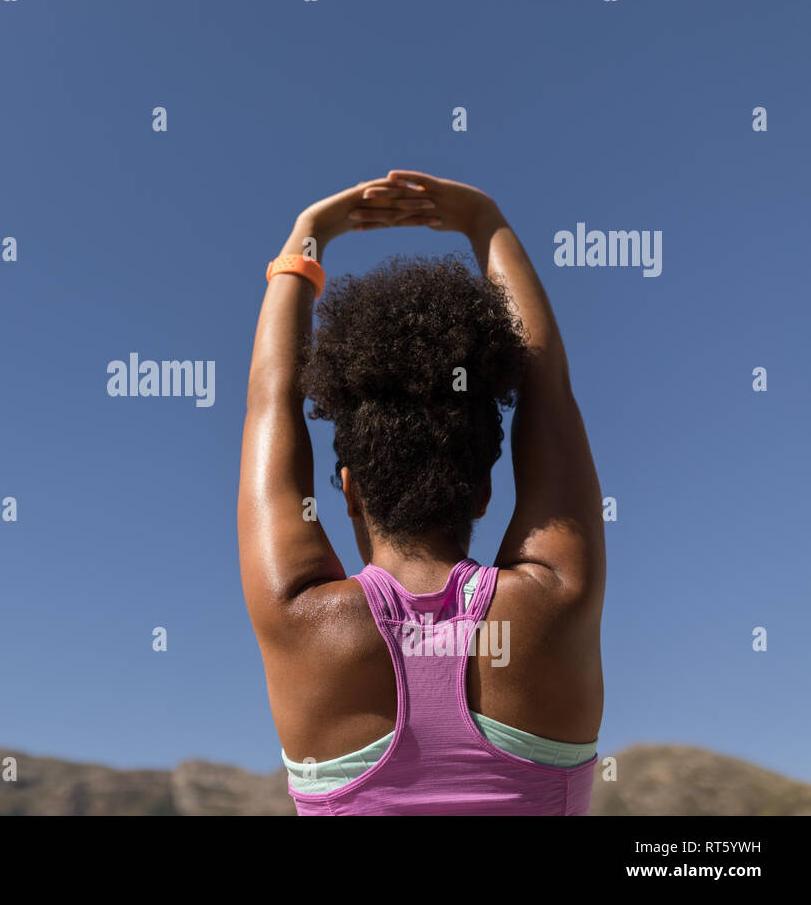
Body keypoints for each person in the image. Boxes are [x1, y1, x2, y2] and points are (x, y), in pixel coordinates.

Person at [237, 171, 605, 814]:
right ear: (486, 489)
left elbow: (271, 403)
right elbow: (549, 392)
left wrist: (306, 244)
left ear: (349, 490)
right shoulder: (557, 597)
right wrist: (485, 221)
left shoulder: (298, 615)